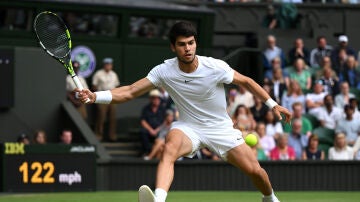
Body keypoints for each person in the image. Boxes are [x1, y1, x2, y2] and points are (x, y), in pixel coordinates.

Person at [76, 21, 291, 202]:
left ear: (195, 43)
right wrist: (96, 96)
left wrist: (273, 104)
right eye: (182, 44)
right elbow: (131, 91)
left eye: (191, 43)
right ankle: (158, 199)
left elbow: (247, 81)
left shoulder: (215, 67)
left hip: (220, 129)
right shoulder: (164, 71)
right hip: (189, 127)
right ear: (173, 47)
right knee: (169, 147)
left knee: (255, 171)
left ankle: (270, 198)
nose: (187, 48)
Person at [92, 57, 120, 141]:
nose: (108, 66)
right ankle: (98, 136)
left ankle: (112, 136)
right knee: (101, 117)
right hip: (102, 97)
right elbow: (94, 85)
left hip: (112, 97)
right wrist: (97, 96)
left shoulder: (114, 74)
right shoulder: (98, 73)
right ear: (104, 65)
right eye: (107, 64)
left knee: (112, 117)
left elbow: (117, 85)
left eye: (110, 64)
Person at [140, 89, 166, 156]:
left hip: (160, 130)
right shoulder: (146, 108)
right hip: (149, 129)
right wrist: (151, 130)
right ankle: (146, 151)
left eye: (157, 98)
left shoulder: (163, 109)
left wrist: (157, 130)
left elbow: (165, 121)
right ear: (151, 99)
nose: (156, 100)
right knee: (143, 132)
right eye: (154, 98)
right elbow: (143, 121)